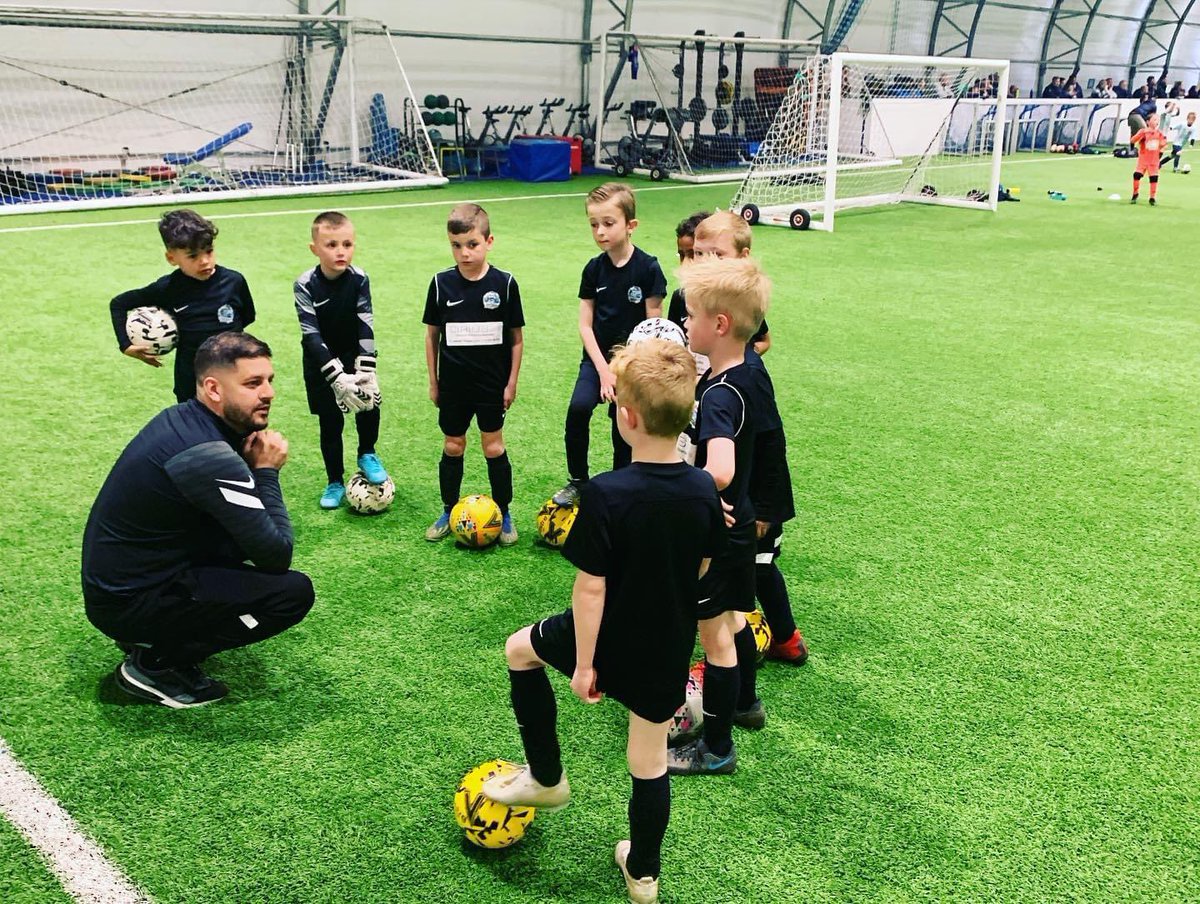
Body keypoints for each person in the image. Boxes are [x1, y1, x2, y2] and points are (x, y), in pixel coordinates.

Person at [480, 339, 725, 904]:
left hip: (607, 635)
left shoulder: (606, 493)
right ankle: (643, 875)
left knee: (520, 651)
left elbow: (591, 588)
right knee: (647, 761)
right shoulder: (700, 488)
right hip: (666, 642)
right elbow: (705, 563)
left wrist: (585, 664)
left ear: (627, 418)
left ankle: (546, 778)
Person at [82, 332, 314, 708]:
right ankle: (157, 663)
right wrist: (268, 472)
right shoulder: (208, 455)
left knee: (238, 539)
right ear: (213, 388)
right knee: (291, 594)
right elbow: (276, 555)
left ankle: (155, 633)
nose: (268, 393)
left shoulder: (185, 418)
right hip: (127, 602)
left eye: (269, 380)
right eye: (253, 383)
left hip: (127, 580)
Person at [668, 256, 773, 777]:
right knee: (731, 624)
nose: (686, 324)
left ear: (720, 324)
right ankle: (742, 707)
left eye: (691, 316)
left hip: (721, 531)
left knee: (715, 640)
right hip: (744, 525)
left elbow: (722, 470)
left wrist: (682, 488)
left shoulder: (720, 393)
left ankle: (716, 747)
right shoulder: (751, 370)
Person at [690, 212, 807, 665]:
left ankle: (779, 641)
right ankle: (737, 667)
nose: (704, 263)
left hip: (746, 505)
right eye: (698, 255)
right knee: (740, 590)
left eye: (715, 255)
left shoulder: (746, 378)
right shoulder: (724, 364)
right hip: (736, 500)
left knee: (753, 575)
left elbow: (769, 442)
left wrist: (766, 506)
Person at [552, 183, 666, 507]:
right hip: (597, 360)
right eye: (593, 224)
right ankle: (577, 481)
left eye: (608, 223)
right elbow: (585, 325)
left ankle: (621, 482)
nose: (600, 231)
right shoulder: (593, 269)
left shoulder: (648, 268)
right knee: (578, 409)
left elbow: (651, 327)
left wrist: (624, 371)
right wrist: (603, 371)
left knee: (624, 423)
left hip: (634, 362)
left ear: (631, 225)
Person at [423, 203, 524, 544]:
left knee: (493, 447)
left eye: (472, 244)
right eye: (456, 245)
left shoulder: (506, 284)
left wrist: (511, 382)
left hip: (491, 384)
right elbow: (431, 335)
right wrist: (434, 381)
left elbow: (516, 339)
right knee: (453, 445)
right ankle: (448, 509)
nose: (464, 253)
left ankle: (505, 512)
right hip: (453, 384)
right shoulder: (440, 284)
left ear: (488, 241)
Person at [110, 209, 255, 403]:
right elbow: (119, 304)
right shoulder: (168, 288)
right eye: (193, 256)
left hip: (235, 374)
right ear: (172, 258)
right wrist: (126, 345)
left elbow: (247, 316)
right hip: (191, 383)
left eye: (209, 251)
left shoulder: (234, 281)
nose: (205, 261)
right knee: (196, 431)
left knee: (241, 428)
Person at [294, 211, 385, 510]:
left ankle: (367, 453)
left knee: (368, 404)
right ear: (315, 249)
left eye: (347, 244)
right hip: (320, 362)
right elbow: (311, 333)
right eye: (331, 245)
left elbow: (365, 321)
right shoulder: (305, 284)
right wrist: (334, 375)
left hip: (354, 355)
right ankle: (334, 481)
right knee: (330, 423)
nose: (340, 251)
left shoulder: (359, 278)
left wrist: (366, 364)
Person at [1131, 112, 1168, 205]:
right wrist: (1133, 143)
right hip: (1143, 159)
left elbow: (1163, 145)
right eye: (1155, 119)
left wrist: (1160, 156)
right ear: (1148, 122)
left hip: (1154, 161)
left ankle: (1152, 197)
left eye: (1158, 120)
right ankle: (1135, 193)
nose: (1157, 122)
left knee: (1154, 178)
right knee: (1137, 175)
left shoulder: (1159, 134)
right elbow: (1133, 140)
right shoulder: (1144, 131)